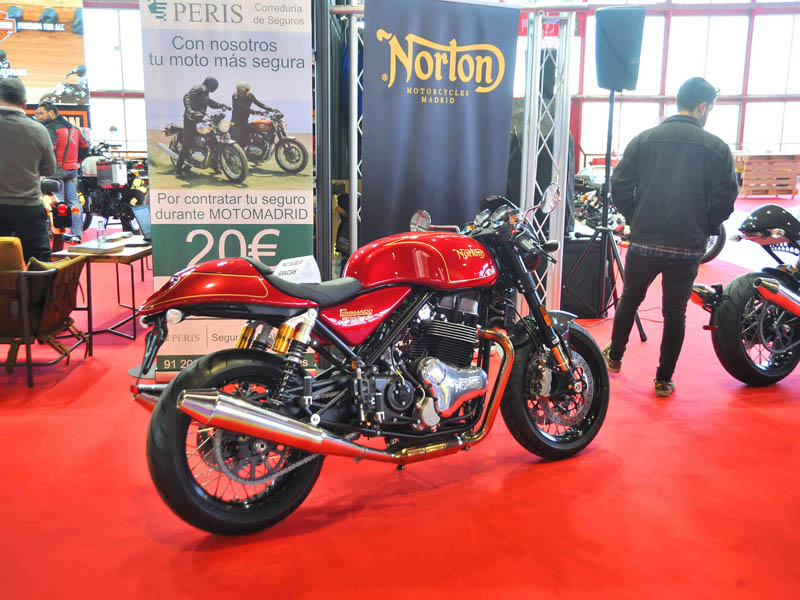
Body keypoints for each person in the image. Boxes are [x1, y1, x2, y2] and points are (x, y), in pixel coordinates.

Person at [604, 77, 739, 397]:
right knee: (675, 312)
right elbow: (726, 198)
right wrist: (705, 226)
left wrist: (635, 217)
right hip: (687, 243)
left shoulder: (644, 139)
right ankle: (663, 379)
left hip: (645, 239)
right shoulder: (717, 148)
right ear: (702, 106)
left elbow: (619, 185)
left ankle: (614, 357)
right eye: (711, 108)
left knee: (630, 299)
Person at [0, 78, 57, 262]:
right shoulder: (39, 130)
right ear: (24, 104)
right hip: (28, 206)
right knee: (39, 263)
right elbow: (49, 169)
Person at [35, 101, 89, 243]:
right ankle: (77, 234)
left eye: (41, 113)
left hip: (56, 170)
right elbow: (85, 147)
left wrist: (45, 166)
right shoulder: (74, 128)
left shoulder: (50, 128)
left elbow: (50, 149)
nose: (38, 116)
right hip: (72, 169)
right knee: (74, 202)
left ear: (51, 113)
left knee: (57, 203)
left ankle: (59, 236)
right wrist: (77, 161)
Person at [175, 76, 228, 177]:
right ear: (212, 85)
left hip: (200, 120)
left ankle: (214, 165)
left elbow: (211, 103)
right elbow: (187, 97)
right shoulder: (198, 88)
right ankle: (178, 170)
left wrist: (222, 105)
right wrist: (190, 110)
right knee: (187, 144)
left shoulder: (206, 92)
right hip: (190, 120)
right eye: (214, 86)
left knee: (213, 139)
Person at [230, 81, 271, 151]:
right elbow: (241, 106)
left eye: (242, 90)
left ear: (247, 90)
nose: (239, 92)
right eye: (238, 90)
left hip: (244, 120)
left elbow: (258, 103)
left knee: (247, 138)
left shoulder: (250, 96)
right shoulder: (235, 96)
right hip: (236, 121)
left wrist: (270, 109)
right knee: (237, 140)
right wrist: (254, 111)